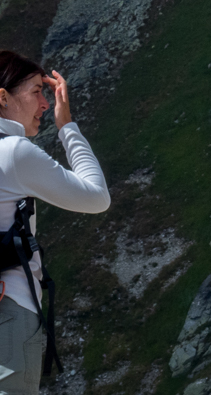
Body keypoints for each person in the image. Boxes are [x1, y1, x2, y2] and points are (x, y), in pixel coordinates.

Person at [0, 51, 109, 394]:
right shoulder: (14, 152)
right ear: (2, 97)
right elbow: (96, 197)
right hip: (8, 308)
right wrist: (68, 127)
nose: (45, 104)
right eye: (36, 91)